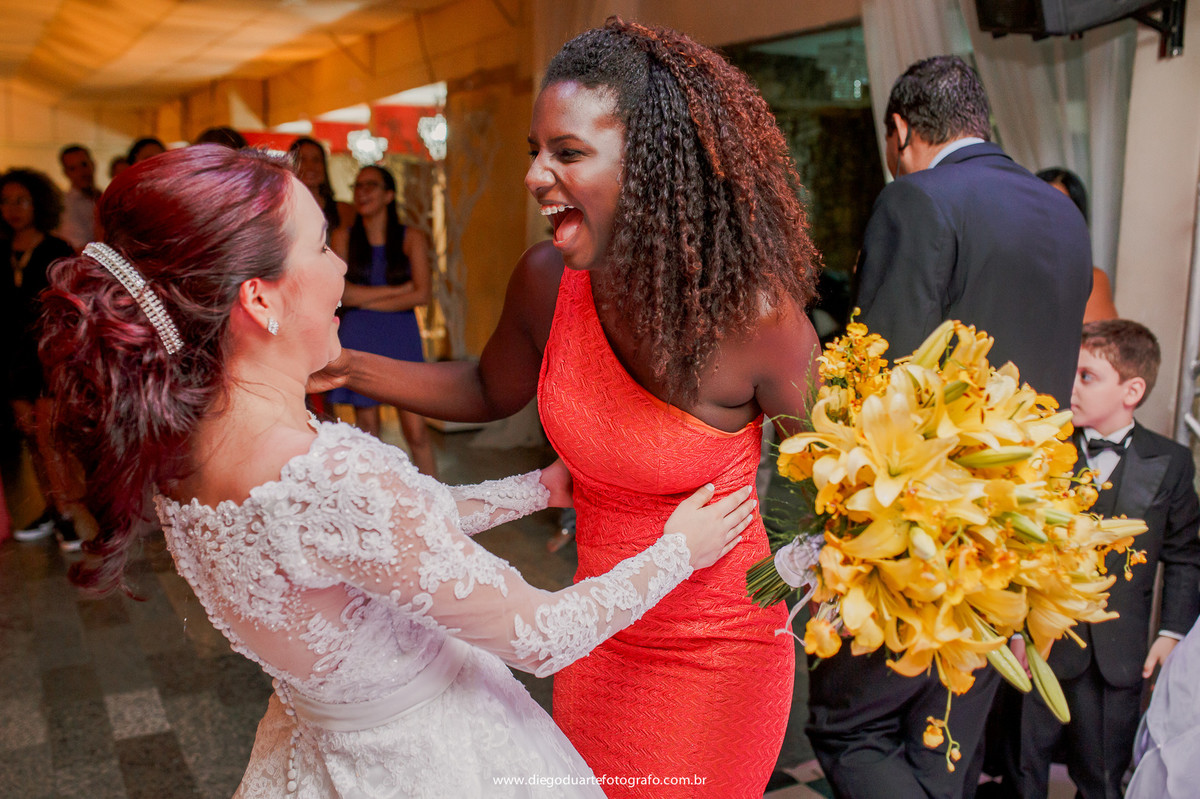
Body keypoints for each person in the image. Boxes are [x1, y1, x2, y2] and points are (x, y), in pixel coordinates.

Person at [37, 144, 759, 797]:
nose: (342, 267)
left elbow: (379, 539)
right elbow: (539, 635)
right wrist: (677, 550)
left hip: (325, 754)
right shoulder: (327, 472)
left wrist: (533, 488)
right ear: (258, 298)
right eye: (321, 245)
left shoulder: (179, 454)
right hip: (439, 759)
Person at [313, 18, 821, 796]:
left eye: (568, 152)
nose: (535, 175)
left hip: (719, 648)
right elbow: (486, 389)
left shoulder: (753, 317)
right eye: (534, 151)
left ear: (650, 165)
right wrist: (346, 362)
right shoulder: (548, 280)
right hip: (594, 632)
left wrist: (811, 579)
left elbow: (834, 475)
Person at [817, 55, 1093, 799]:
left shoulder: (917, 200)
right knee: (943, 740)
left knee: (848, 726)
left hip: (922, 528)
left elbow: (883, 378)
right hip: (1017, 534)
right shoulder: (1061, 214)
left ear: (900, 130)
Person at [1010, 319, 1200, 799]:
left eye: (1087, 376)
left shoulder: (1171, 462)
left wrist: (1171, 633)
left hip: (1116, 658)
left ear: (1132, 390)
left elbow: (1183, 555)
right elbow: (1010, 545)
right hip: (1037, 646)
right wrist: (1012, 629)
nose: (1070, 386)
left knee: (1102, 778)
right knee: (1021, 772)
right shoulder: (1039, 449)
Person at [327, 165, 438, 477]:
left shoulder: (412, 237)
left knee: (416, 431)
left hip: (401, 338)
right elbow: (342, 296)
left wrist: (365, 296)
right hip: (360, 337)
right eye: (358, 185)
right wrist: (399, 290)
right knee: (368, 432)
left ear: (389, 195)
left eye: (371, 185)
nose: (362, 192)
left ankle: (442, 511)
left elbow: (422, 295)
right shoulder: (343, 237)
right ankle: (377, 512)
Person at [1, 168, 90, 551]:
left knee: (50, 437)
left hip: (49, 357)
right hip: (10, 358)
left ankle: (69, 515)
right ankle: (53, 510)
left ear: (39, 202)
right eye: (5, 201)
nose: (13, 209)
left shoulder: (56, 250)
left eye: (21, 200)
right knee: (32, 440)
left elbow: (74, 307)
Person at [1036, 167, 1119, 323]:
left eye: (1060, 208)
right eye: (1039, 204)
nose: (1048, 217)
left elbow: (1098, 343)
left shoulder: (1090, 280)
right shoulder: (1002, 268)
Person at [287, 136, 353, 242]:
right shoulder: (280, 211)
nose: (310, 166)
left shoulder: (343, 211)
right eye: (302, 159)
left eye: (316, 160)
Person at [56, 144, 99, 251]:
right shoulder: (67, 207)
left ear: (93, 165)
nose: (81, 172)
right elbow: (79, 250)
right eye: (73, 168)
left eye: (84, 165)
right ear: (66, 173)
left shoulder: (100, 197)